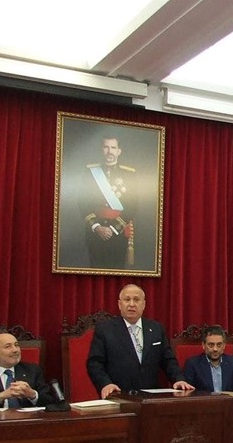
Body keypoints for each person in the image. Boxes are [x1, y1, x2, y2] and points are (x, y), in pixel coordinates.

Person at [86, 284, 194, 398]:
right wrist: (105, 384)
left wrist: (178, 379)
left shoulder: (156, 328)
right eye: (127, 299)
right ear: (119, 304)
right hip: (118, 395)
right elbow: (95, 363)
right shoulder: (105, 329)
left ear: (143, 305)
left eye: (136, 300)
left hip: (151, 398)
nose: (131, 304)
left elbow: (168, 360)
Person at [77, 134, 138, 270]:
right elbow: (82, 201)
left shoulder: (130, 174)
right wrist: (97, 227)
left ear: (119, 151)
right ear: (101, 150)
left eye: (113, 147)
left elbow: (133, 204)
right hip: (95, 232)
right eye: (106, 147)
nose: (109, 151)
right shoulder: (90, 172)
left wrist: (113, 229)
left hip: (119, 232)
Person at [181, 325, 233, 393]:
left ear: (224, 346)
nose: (215, 349)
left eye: (219, 345)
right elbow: (188, 393)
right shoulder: (192, 364)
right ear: (203, 345)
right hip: (204, 402)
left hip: (227, 402)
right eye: (211, 345)